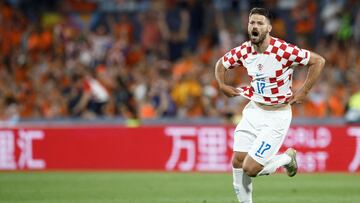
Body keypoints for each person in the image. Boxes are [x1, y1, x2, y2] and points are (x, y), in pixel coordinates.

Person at [214, 8, 325, 203]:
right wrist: (222, 85)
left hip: (276, 117)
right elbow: (221, 64)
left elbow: (318, 61)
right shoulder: (244, 50)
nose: (255, 26)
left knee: (251, 169)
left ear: (269, 28)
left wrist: (304, 91)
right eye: (252, 23)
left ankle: (286, 159)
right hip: (254, 111)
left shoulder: (283, 50)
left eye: (260, 23)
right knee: (238, 161)